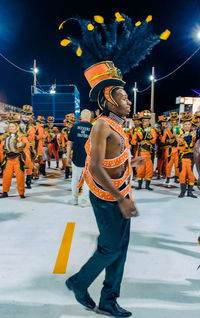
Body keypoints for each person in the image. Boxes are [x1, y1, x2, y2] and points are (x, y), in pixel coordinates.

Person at [61, 13, 170, 317]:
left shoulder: (119, 126)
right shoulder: (101, 126)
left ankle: (109, 300)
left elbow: (113, 159)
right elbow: (96, 168)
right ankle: (79, 283)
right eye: (122, 96)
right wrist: (122, 199)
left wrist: (131, 162)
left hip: (121, 194)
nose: (128, 100)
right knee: (109, 248)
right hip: (109, 198)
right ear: (108, 98)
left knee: (120, 251)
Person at [66, 109, 92, 207]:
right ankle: (84, 201)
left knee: (75, 179)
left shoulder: (74, 127)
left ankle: (74, 199)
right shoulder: (93, 128)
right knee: (87, 181)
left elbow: (69, 144)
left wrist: (68, 157)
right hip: (88, 159)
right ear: (90, 117)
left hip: (76, 157)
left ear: (80, 116)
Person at [0, 113, 29, 198]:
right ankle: (5, 192)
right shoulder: (5, 137)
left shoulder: (21, 136)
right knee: (6, 176)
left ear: (16, 127)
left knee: (20, 176)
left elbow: (26, 145)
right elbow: (2, 147)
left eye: (13, 126)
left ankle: (21, 193)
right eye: (10, 127)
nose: (11, 128)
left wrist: (22, 145)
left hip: (18, 159)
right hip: (8, 159)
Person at [131, 110, 157, 190]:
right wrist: (139, 142)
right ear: (142, 121)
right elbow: (133, 141)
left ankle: (147, 185)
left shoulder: (152, 130)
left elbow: (154, 139)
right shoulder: (137, 130)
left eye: (147, 120)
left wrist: (147, 140)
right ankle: (139, 185)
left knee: (149, 169)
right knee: (140, 169)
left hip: (149, 153)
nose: (146, 122)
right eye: (145, 121)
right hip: (140, 152)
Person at [176, 112, 197, 198]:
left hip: (192, 158)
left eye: (188, 124)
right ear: (183, 125)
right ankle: (182, 192)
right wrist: (187, 144)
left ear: (191, 125)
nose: (187, 126)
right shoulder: (179, 135)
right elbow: (180, 148)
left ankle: (190, 192)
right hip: (183, 158)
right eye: (185, 124)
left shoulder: (194, 135)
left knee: (191, 176)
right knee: (182, 175)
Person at [161, 112, 180, 184]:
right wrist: (168, 141)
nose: (174, 123)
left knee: (177, 165)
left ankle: (176, 177)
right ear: (170, 122)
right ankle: (168, 177)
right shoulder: (167, 131)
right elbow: (163, 140)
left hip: (177, 149)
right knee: (168, 164)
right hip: (170, 150)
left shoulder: (179, 129)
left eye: (175, 121)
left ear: (177, 122)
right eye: (172, 121)